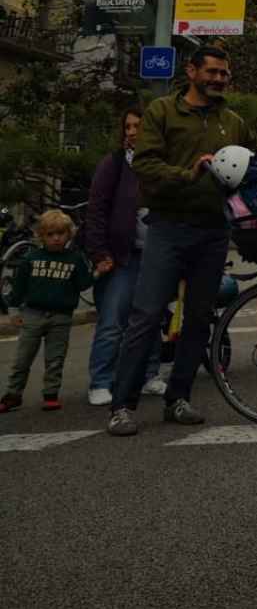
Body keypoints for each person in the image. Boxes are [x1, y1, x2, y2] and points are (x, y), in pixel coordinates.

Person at [108, 45, 253, 436]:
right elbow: (143, 163)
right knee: (148, 314)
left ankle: (178, 398)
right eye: (212, 72)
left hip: (213, 230)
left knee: (198, 320)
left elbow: (254, 166)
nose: (219, 79)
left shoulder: (234, 121)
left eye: (224, 73)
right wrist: (186, 174)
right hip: (169, 227)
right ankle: (122, 405)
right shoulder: (162, 112)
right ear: (191, 71)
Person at [1, 210, 94, 413]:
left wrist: (97, 273)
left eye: (60, 234)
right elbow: (19, 287)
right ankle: (13, 394)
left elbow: (83, 284)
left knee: (55, 358)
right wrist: (14, 310)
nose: (56, 239)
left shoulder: (74, 259)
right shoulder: (32, 258)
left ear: (68, 235)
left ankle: (51, 394)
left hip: (61, 316)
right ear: (41, 236)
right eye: (50, 234)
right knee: (22, 358)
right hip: (33, 314)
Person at [84, 108, 145, 407]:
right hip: (121, 256)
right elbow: (95, 211)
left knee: (150, 318)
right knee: (112, 321)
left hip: (154, 254)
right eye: (127, 126)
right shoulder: (115, 163)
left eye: (138, 126)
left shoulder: (160, 162)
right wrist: (99, 252)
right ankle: (101, 381)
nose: (131, 132)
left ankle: (149, 374)